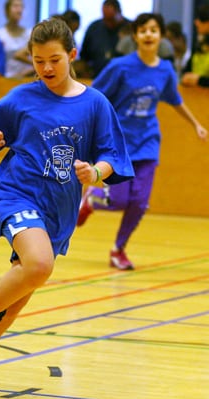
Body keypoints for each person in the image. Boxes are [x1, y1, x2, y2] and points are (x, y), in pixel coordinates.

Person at [0, 18, 134, 399]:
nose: (46, 68)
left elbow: (112, 155)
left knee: (16, 301)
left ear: (72, 55)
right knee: (39, 265)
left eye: (54, 60)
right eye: (38, 60)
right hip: (16, 194)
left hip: (58, 210)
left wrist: (95, 172)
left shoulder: (94, 104)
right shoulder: (21, 98)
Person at [77, 13, 207, 270]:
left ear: (161, 36)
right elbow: (95, 96)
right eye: (143, 30)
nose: (149, 34)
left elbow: (175, 99)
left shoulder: (165, 70)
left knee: (139, 203)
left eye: (154, 30)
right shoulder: (119, 67)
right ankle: (92, 199)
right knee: (119, 200)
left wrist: (196, 124)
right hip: (118, 143)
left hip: (148, 142)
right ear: (135, 36)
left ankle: (118, 250)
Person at [79, 0, 129, 78]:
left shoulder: (130, 29)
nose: (108, 23)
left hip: (124, 76)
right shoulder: (94, 28)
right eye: (105, 19)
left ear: (119, 13)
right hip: (96, 76)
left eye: (111, 19)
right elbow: (84, 56)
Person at [0, 0, 33, 79]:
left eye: (21, 7)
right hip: (4, 79)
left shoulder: (30, 34)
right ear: (7, 10)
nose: (19, 10)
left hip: (26, 78)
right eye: (16, 6)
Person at [181, 5, 209, 88]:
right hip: (194, 93)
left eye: (201, 19)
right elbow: (186, 71)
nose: (196, 22)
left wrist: (199, 80)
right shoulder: (200, 43)